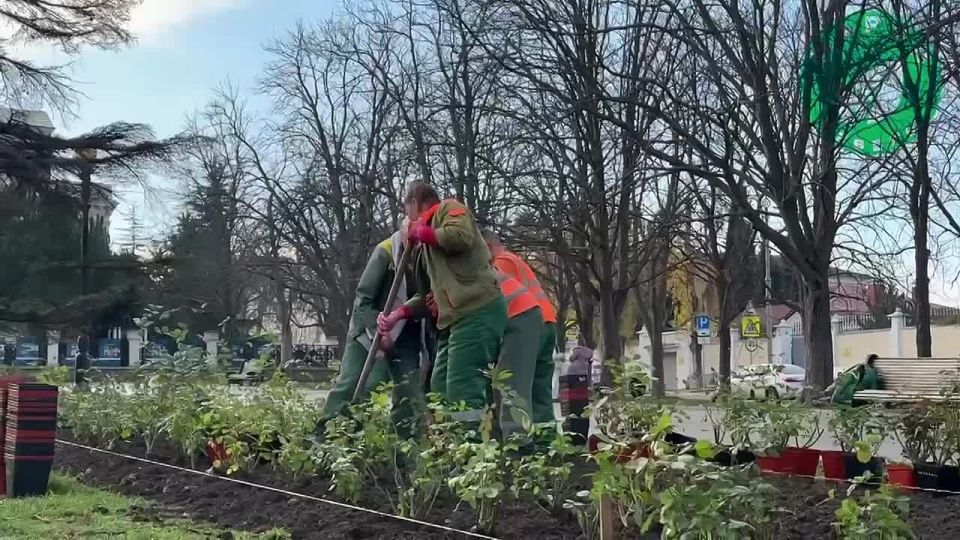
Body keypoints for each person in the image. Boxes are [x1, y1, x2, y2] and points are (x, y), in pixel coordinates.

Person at [378, 183, 507, 427]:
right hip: (455, 320)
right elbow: (428, 295)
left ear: (415, 203)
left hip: (477, 309)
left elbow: (460, 236)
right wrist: (399, 314)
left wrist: (420, 232)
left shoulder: (449, 209)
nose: (407, 220)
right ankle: (452, 444)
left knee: (462, 385)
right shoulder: (426, 249)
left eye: (407, 212)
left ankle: (472, 452)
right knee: (439, 386)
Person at [318, 228, 427, 439]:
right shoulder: (385, 253)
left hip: (407, 332)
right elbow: (363, 300)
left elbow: (426, 296)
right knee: (352, 384)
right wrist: (379, 329)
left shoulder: (429, 258)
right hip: (367, 330)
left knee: (408, 392)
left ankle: (406, 454)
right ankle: (327, 440)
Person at [481, 230, 559, 434]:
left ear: (487, 247)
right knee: (539, 390)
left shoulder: (502, 262)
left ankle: (520, 443)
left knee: (514, 385)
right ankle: (546, 442)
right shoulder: (516, 260)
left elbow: (500, 299)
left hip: (532, 325)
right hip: (548, 322)